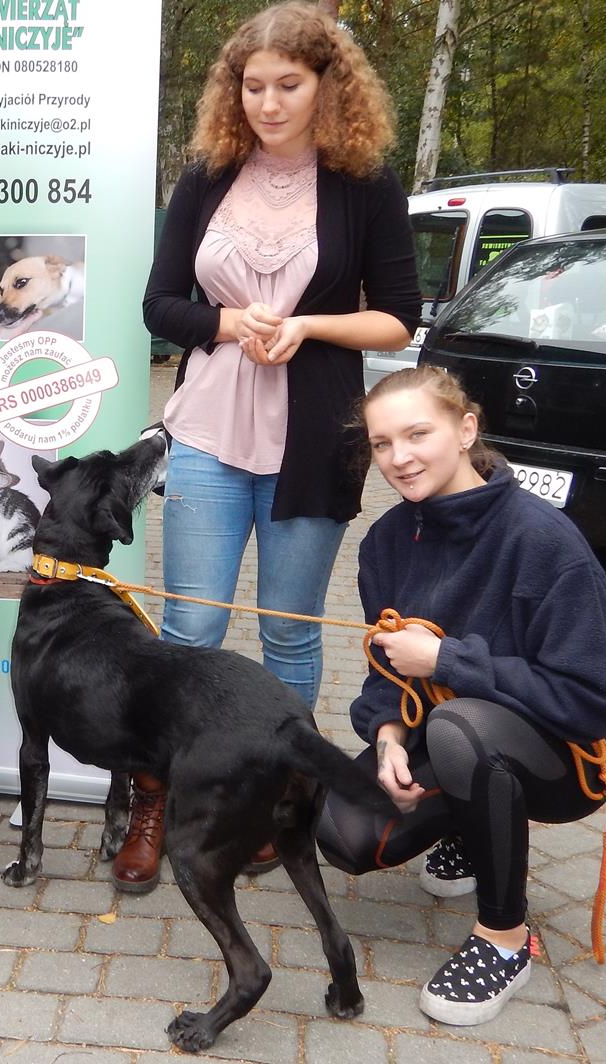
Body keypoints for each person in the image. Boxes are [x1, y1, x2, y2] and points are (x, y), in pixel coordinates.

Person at [126, 0, 421, 890]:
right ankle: (159, 801)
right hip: (209, 433)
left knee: (290, 636)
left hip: (315, 440)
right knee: (191, 632)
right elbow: (159, 305)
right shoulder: (208, 176)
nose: (268, 104)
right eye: (252, 86)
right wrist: (227, 322)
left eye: (288, 85)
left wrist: (308, 326)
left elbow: (398, 320)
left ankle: (283, 805)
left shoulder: (365, 183)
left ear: (328, 84)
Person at [316, 365, 606, 1026]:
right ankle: (470, 827)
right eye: (382, 444)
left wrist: (445, 659)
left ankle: (505, 940)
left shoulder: (543, 539)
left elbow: (588, 704)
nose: (399, 458)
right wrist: (388, 738)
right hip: (454, 735)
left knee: (461, 729)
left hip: (565, 757)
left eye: (418, 434)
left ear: (466, 430)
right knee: (343, 832)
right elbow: (387, 671)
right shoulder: (385, 542)